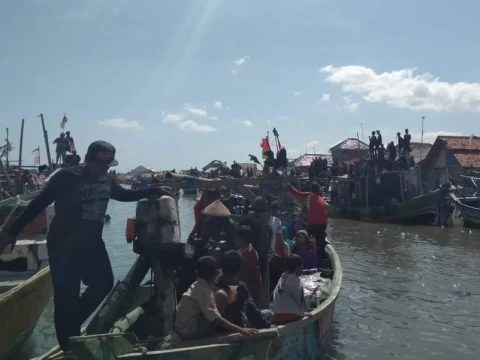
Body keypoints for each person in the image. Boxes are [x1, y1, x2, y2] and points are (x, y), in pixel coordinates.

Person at [0, 140, 171, 354]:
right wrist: (12, 231)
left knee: (104, 283)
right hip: (63, 245)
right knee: (66, 296)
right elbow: (39, 203)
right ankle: (68, 348)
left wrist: (152, 190)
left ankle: (69, 325)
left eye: (108, 165)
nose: (105, 169)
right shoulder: (66, 177)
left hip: (92, 243)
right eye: (101, 164)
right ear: (88, 159)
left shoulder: (107, 179)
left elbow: (122, 194)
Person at [166, 256, 258, 347]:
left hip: (183, 329)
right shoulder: (203, 290)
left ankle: (217, 329)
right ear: (216, 273)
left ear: (196, 273)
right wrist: (241, 330)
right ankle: (214, 331)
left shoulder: (197, 285)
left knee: (220, 296)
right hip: (189, 332)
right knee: (222, 295)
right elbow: (214, 318)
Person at [213, 251, 271, 329]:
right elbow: (252, 312)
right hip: (236, 325)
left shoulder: (214, 285)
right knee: (269, 313)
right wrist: (267, 325)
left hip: (217, 327)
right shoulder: (241, 287)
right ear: (240, 269)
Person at [288, 182, 328, 266]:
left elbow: (298, 194)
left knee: (306, 239)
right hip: (323, 224)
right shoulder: (321, 198)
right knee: (321, 242)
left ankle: (307, 256)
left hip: (313, 224)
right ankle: (321, 260)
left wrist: (290, 187)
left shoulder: (309, 195)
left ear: (311, 189)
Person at [271, 254, 311, 325]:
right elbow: (299, 300)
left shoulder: (282, 277)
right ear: (296, 268)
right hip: (290, 316)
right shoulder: (296, 281)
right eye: (301, 265)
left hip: (276, 315)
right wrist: (303, 312)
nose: (303, 267)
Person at [235, 225, 263, 306]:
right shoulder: (244, 249)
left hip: (250, 290)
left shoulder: (249, 254)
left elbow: (244, 275)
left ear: (239, 238)